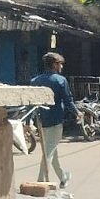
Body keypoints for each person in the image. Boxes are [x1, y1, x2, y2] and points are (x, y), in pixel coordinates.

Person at [31, 52, 80, 188]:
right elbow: (68, 100)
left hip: (41, 120)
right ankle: (40, 182)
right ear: (54, 65)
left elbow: (31, 102)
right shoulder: (60, 80)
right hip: (56, 119)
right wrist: (77, 113)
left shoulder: (35, 81)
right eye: (60, 64)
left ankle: (63, 176)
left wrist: (29, 121)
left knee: (51, 149)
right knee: (49, 151)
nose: (62, 67)